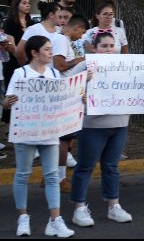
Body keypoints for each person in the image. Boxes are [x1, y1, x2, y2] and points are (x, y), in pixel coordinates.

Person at [71, 32, 144, 227]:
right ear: (95, 48)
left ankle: (113, 206)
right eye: (104, 46)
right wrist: (83, 81)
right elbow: (67, 88)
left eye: (112, 46)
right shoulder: (85, 65)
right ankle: (79, 208)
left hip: (119, 125)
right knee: (85, 166)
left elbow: (140, 86)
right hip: (92, 126)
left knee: (111, 166)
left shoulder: (127, 65)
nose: (109, 49)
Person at [3, 36, 76, 237]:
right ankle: (23, 217)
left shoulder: (55, 74)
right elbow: (7, 102)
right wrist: (8, 102)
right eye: (46, 49)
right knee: (22, 174)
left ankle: (55, 219)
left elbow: (64, 99)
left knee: (52, 176)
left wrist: (78, 97)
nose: (51, 53)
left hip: (49, 133)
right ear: (34, 53)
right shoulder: (20, 73)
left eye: (51, 49)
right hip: (26, 132)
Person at [51, 15, 89, 193]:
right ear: (76, 27)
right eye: (81, 32)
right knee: (63, 139)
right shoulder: (60, 39)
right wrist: (81, 60)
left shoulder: (63, 40)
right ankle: (60, 178)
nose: (81, 37)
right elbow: (59, 65)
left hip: (67, 94)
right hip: (63, 95)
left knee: (65, 138)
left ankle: (52, 175)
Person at [2, 0, 32, 137]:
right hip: (14, 61)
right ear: (17, 5)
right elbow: (11, 45)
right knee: (12, 91)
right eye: (24, 3)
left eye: (29, 3)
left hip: (29, 61)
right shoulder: (10, 22)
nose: (27, 5)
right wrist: (21, 60)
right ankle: (9, 125)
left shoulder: (30, 22)